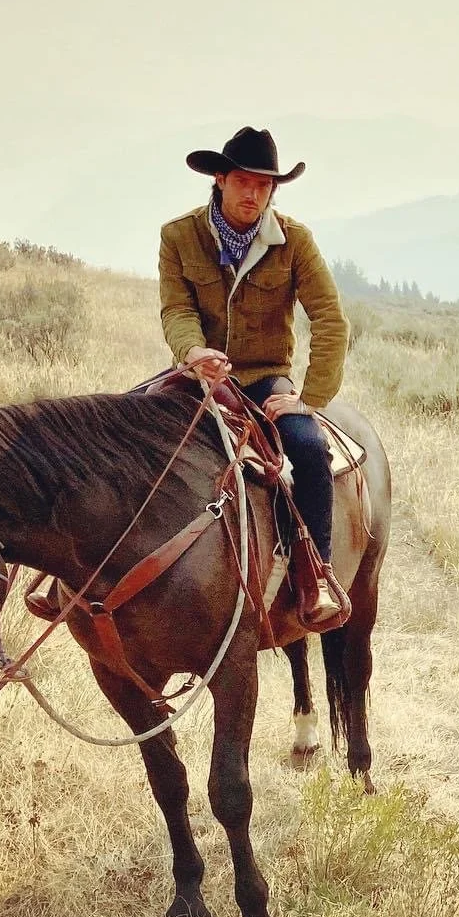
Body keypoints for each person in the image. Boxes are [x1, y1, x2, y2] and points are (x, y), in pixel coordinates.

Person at [158, 126, 349, 625]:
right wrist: (193, 350)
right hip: (200, 373)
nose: (253, 194)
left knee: (308, 449)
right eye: (243, 181)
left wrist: (310, 398)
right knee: (127, 428)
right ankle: (81, 569)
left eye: (264, 185)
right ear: (219, 179)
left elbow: (330, 319)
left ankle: (314, 573)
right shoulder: (179, 236)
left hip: (266, 377)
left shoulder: (294, 241)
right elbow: (177, 309)